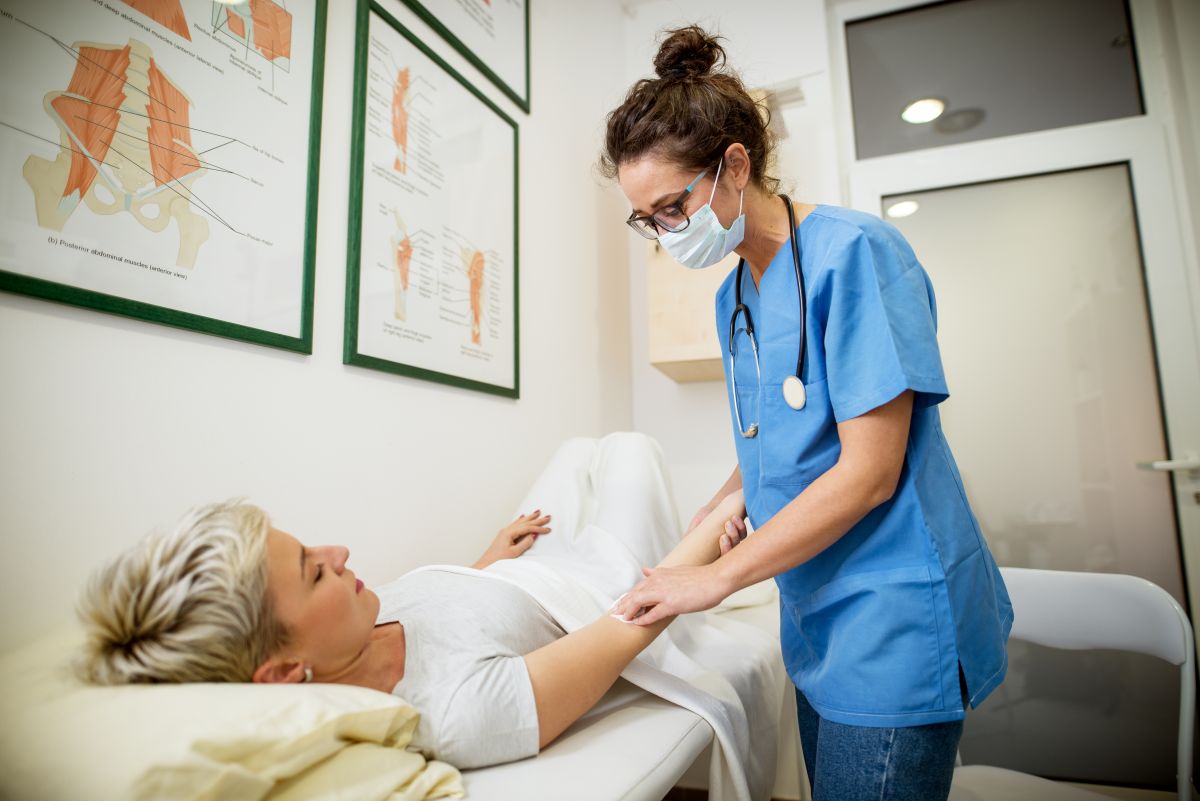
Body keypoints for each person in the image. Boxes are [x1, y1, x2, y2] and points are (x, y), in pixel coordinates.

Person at [603, 25, 1013, 801]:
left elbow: (868, 472)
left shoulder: (854, 253)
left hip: (892, 614)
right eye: (646, 219)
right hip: (817, 613)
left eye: (671, 207)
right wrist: (728, 497)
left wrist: (714, 580)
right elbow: (770, 437)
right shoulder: (733, 296)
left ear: (732, 165)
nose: (663, 233)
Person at [75, 433, 749, 770]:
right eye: (313, 572)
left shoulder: (353, 622)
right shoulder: (459, 710)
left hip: (518, 568)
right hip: (603, 578)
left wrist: (487, 557)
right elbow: (631, 618)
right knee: (629, 449)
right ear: (283, 671)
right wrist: (730, 515)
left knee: (579, 450)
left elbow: (449, 608)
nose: (337, 552)